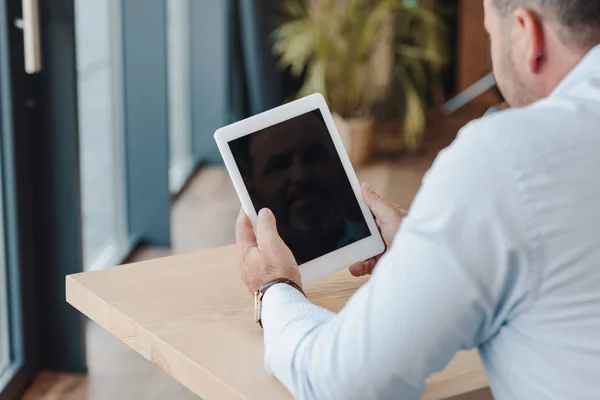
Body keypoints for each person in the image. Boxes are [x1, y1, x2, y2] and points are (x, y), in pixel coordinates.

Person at [235, 0, 600, 398]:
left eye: (492, 34)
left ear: (528, 35)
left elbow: (342, 383)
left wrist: (273, 287)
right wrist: (427, 252)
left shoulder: (506, 157)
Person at [230, 110, 370, 264]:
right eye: (279, 165)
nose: (301, 175)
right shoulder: (260, 265)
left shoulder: (380, 244)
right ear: (251, 187)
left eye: (314, 156)